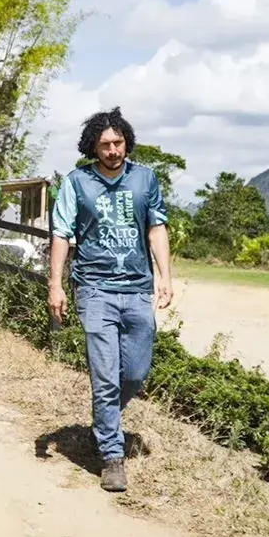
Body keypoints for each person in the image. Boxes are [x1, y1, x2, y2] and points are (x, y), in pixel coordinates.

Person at [47, 107, 173, 493]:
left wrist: (165, 275)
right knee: (105, 376)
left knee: (134, 373)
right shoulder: (77, 182)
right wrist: (56, 284)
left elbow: (156, 227)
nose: (113, 150)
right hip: (94, 289)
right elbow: (61, 234)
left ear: (127, 142)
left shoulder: (145, 179)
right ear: (93, 147)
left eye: (118, 143)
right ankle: (111, 457)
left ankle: (104, 422)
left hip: (137, 288)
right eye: (105, 145)